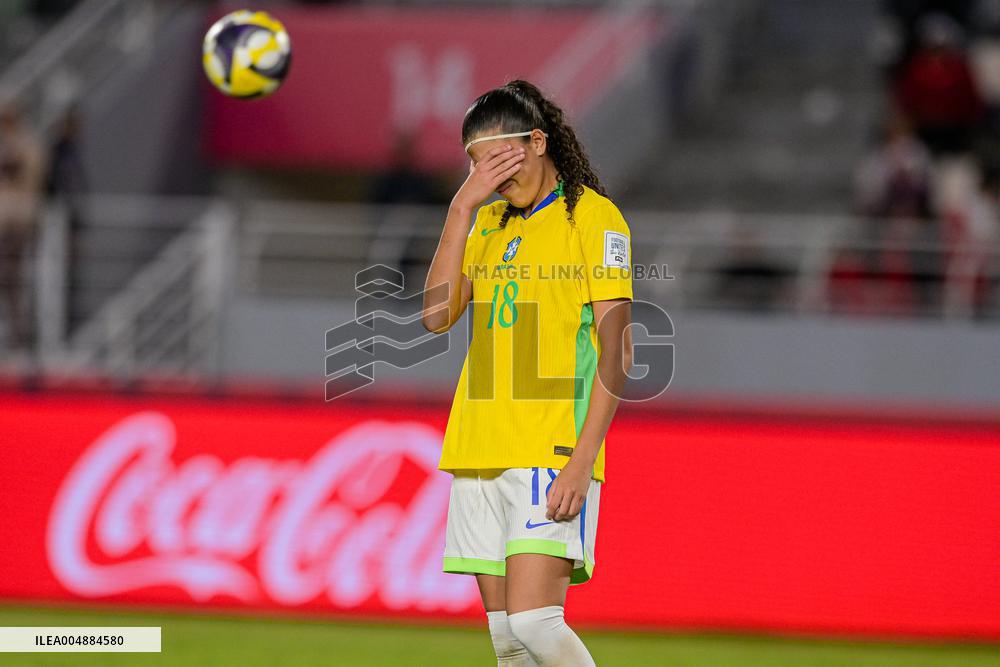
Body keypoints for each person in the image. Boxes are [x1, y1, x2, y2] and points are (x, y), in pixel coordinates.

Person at [423, 80, 633, 666]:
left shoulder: (594, 218)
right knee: (510, 647)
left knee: (537, 624)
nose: (488, 173)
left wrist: (583, 458)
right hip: (478, 444)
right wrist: (461, 208)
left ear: (537, 142)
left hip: (550, 446)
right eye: (475, 162)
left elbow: (618, 352)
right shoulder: (485, 222)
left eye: (500, 157)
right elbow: (436, 316)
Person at [0, 103, 45, 349]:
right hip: (7, 223)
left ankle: (21, 337)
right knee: (9, 283)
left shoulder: (26, 145)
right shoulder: (10, 144)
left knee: (16, 282)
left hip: (19, 224)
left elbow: (29, 176)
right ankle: (16, 334)